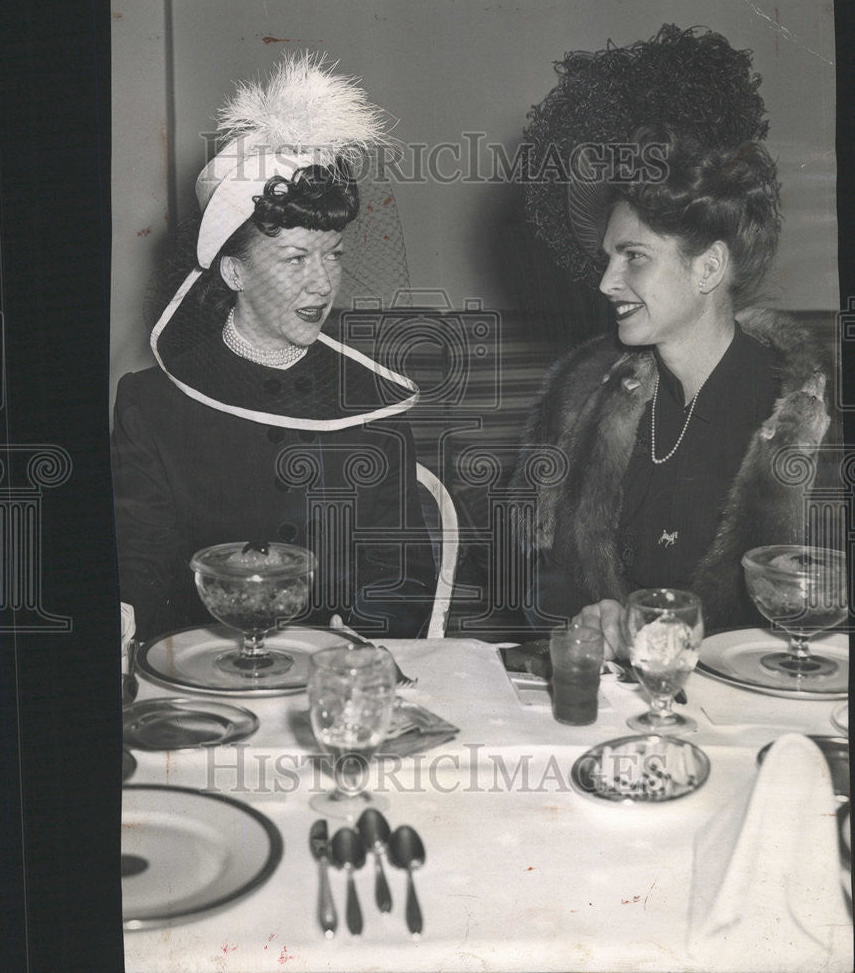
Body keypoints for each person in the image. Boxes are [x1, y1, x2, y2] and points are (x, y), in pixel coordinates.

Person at [112, 54, 435, 643]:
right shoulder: (150, 406)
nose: (322, 283)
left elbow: (403, 578)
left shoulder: (369, 403)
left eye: (332, 254)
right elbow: (141, 563)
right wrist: (128, 614)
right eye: (293, 259)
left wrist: (353, 637)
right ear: (233, 272)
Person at [511, 122, 835, 651]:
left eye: (634, 256)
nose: (606, 281)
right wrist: (587, 620)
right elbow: (540, 575)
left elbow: (822, 615)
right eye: (608, 257)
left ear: (707, 268)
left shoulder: (805, 423)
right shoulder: (583, 391)